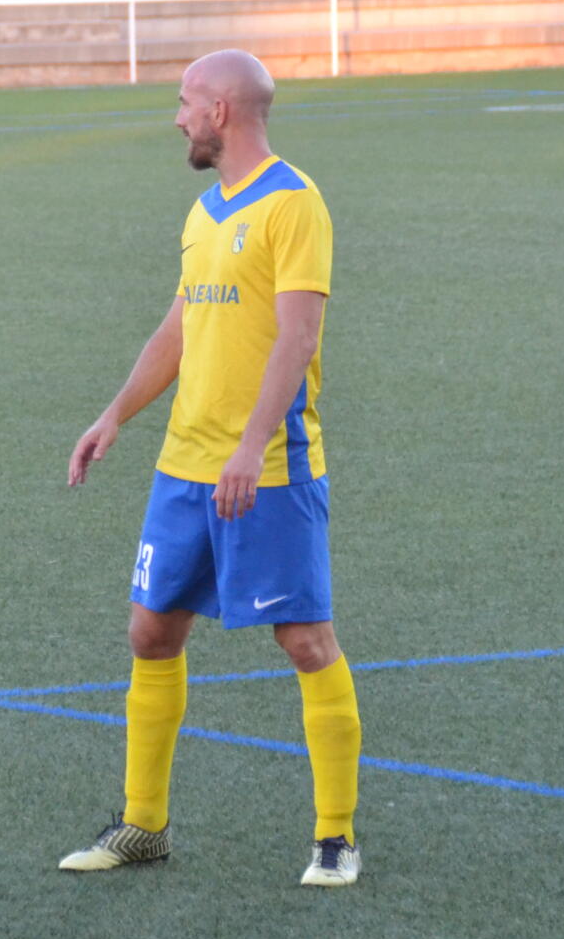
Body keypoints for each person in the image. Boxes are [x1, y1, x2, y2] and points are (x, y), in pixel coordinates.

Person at [59, 48, 365, 887]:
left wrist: (250, 444)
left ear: (221, 111)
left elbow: (299, 336)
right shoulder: (203, 212)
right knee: (151, 630)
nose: (178, 117)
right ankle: (143, 825)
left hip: (268, 468)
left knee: (304, 639)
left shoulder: (294, 203)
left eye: (185, 102)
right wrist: (114, 415)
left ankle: (335, 835)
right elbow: (181, 326)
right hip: (184, 465)